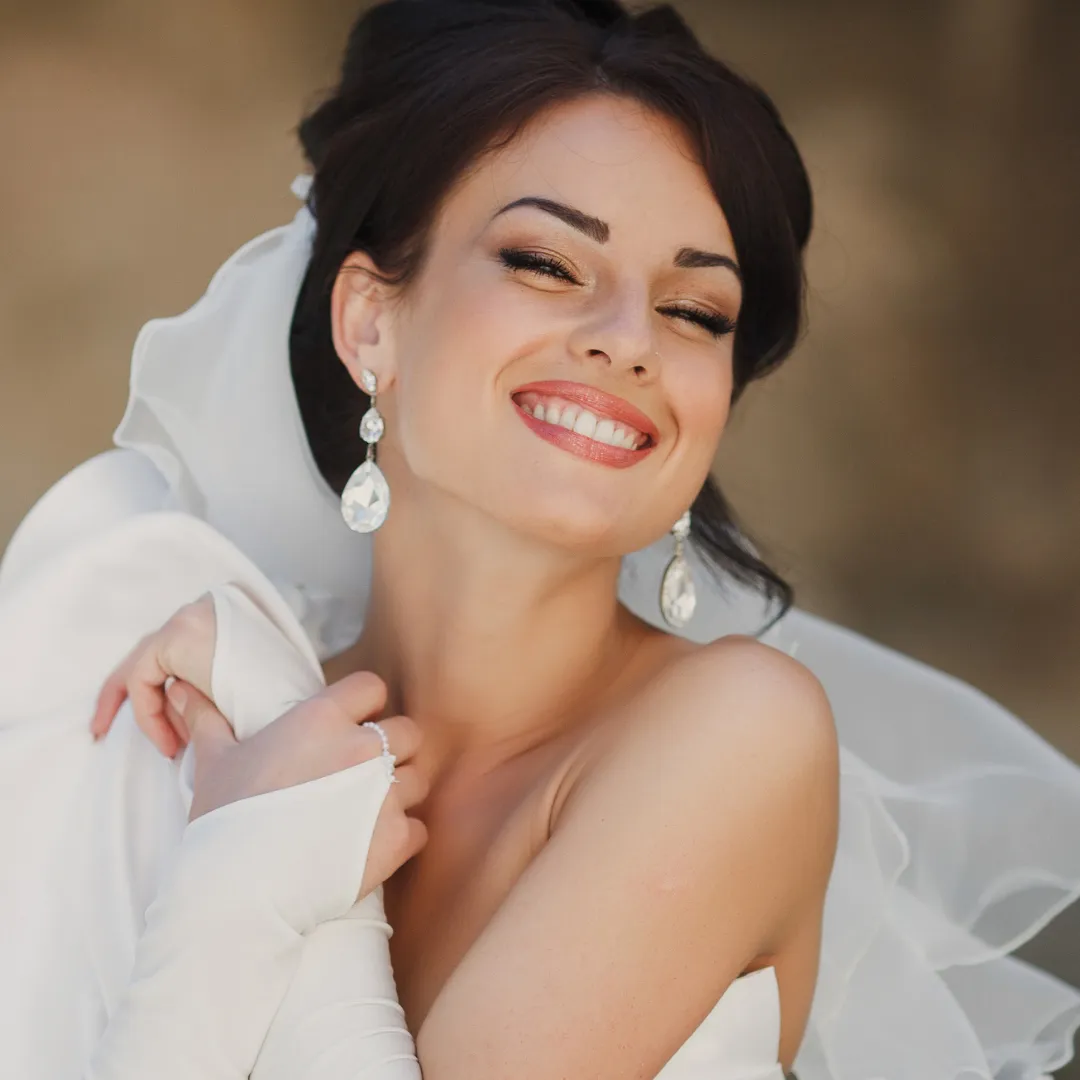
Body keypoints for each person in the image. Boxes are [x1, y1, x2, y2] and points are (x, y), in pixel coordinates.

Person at [1, 1, 1078, 1077]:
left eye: (695, 312)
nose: (629, 341)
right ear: (371, 321)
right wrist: (265, 747)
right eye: (546, 262)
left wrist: (251, 871)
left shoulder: (738, 735)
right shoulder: (182, 728)